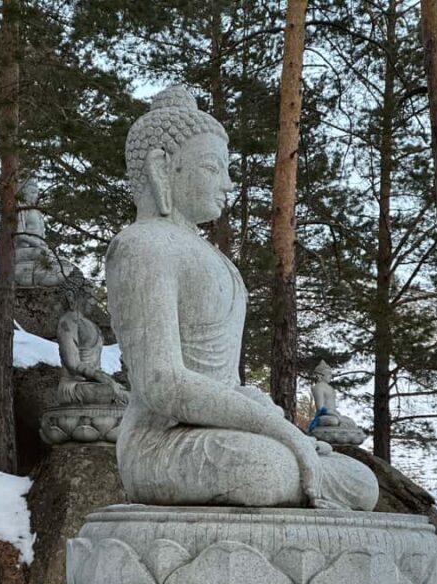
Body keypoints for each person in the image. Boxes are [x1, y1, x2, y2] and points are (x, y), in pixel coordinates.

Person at [106, 86, 378, 510]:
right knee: (268, 468)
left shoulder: (209, 256)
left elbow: (224, 382)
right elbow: (162, 383)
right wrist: (283, 433)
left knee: (361, 482)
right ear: (163, 168)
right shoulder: (143, 246)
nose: (228, 184)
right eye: (213, 168)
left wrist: (265, 416)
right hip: (158, 443)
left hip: (220, 430)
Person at [56, 274, 129, 406]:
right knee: (105, 392)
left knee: (129, 397)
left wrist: (105, 379)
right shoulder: (68, 321)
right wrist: (99, 376)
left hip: (94, 383)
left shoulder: (90, 324)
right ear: (71, 296)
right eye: (89, 297)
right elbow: (72, 363)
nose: (93, 302)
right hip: (74, 386)